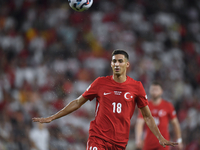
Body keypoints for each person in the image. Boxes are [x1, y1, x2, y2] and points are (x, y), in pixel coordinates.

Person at [32, 50, 178, 150]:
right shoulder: (100, 83)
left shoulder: (137, 87)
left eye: (120, 61)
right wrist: (53, 117)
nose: (116, 64)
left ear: (127, 64)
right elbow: (77, 102)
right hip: (98, 137)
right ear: (110, 64)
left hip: (119, 143)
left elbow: (147, 116)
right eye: (114, 61)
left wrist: (160, 137)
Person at [135, 81, 183, 150]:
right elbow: (139, 123)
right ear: (150, 91)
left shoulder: (168, 106)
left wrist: (179, 140)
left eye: (157, 90)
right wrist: (138, 139)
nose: (154, 92)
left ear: (161, 91)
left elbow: (175, 124)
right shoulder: (145, 106)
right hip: (149, 143)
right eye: (153, 90)